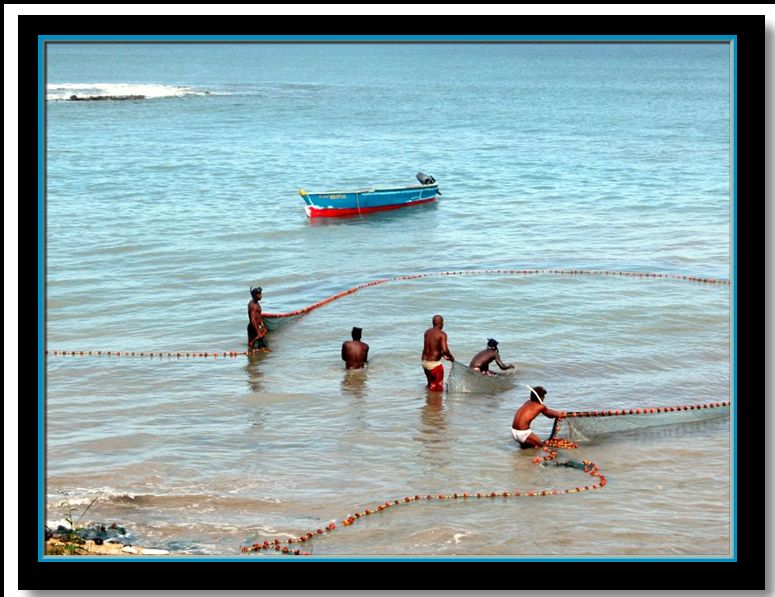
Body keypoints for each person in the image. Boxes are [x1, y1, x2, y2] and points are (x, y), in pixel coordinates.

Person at [421, 314, 455, 392]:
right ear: (441, 323)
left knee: (430, 384)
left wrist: (442, 355)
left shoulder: (427, 332)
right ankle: (436, 403)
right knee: (437, 387)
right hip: (434, 365)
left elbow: (431, 347)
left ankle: (428, 401)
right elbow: (445, 349)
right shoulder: (442, 334)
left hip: (424, 362)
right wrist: (451, 357)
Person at [247, 286, 270, 352]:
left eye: (261, 293)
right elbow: (253, 320)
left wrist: (263, 327)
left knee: (264, 346)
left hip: (258, 327)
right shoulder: (252, 305)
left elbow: (259, 316)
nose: (261, 295)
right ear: (254, 295)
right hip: (254, 329)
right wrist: (258, 332)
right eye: (259, 294)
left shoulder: (257, 303)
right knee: (255, 349)